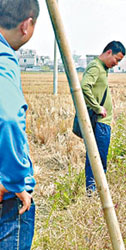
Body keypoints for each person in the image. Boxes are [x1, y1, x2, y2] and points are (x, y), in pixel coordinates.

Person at [0, 0, 40, 248]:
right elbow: (8, 118)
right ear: (26, 25)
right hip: (7, 202)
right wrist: (12, 183)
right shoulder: (3, 60)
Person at [81, 41, 125, 193]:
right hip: (100, 122)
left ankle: (96, 191)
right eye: (116, 59)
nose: (116, 63)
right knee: (97, 160)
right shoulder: (96, 66)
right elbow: (84, 86)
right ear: (108, 52)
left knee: (97, 158)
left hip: (103, 123)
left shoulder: (103, 68)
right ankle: (94, 192)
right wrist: (97, 107)